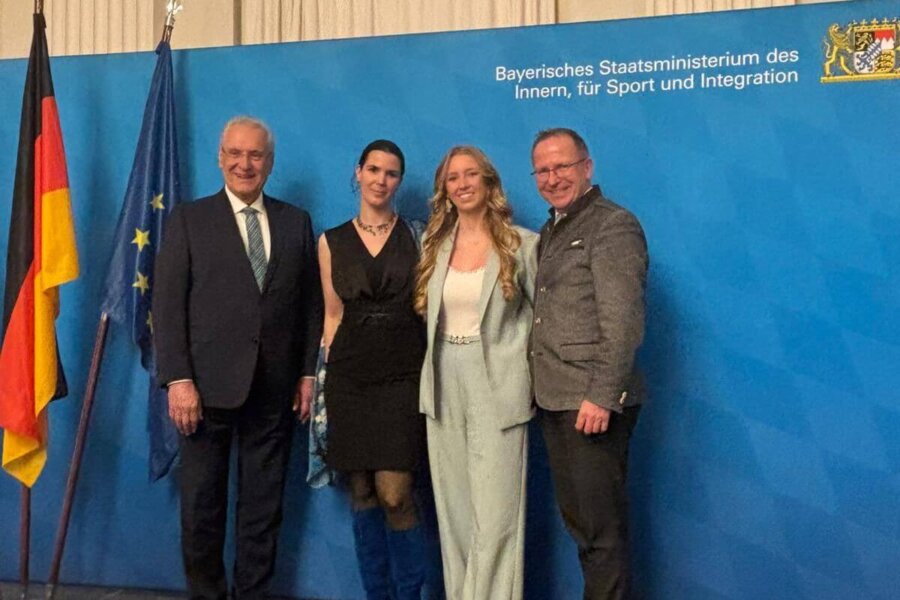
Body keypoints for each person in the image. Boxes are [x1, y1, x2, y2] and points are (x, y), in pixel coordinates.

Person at [153, 116, 323, 600]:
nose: (244, 164)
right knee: (201, 509)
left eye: (255, 155)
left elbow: (309, 305)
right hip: (203, 392)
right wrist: (178, 380)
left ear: (269, 162)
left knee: (263, 510)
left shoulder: (295, 222)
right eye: (235, 153)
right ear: (220, 158)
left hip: (274, 392)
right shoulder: (189, 220)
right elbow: (167, 305)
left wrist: (307, 372)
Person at [528, 128, 648, 600]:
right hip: (557, 399)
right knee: (584, 528)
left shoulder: (612, 225)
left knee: (601, 534)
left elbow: (623, 321)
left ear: (587, 167)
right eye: (542, 170)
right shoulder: (553, 228)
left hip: (591, 405)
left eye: (562, 166)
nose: (552, 178)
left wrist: (601, 395)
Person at [415, 145, 538, 600]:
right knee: (455, 514)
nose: (462, 184)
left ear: (488, 182)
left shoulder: (522, 244)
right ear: (444, 189)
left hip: (499, 386)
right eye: (453, 178)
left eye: (471, 175)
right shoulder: (433, 246)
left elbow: (542, 321)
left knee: (497, 515)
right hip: (443, 381)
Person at [317, 140, 428, 600]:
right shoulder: (330, 241)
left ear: (399, 181)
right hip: (349, 379)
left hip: (403, 376)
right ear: (358, 172)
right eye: (374, 169)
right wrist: (323, 383)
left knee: (395, 495)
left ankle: (409, 595)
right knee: (361, 492)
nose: (381, 180)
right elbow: (332, 315)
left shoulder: (419, 236)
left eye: (391, 173)